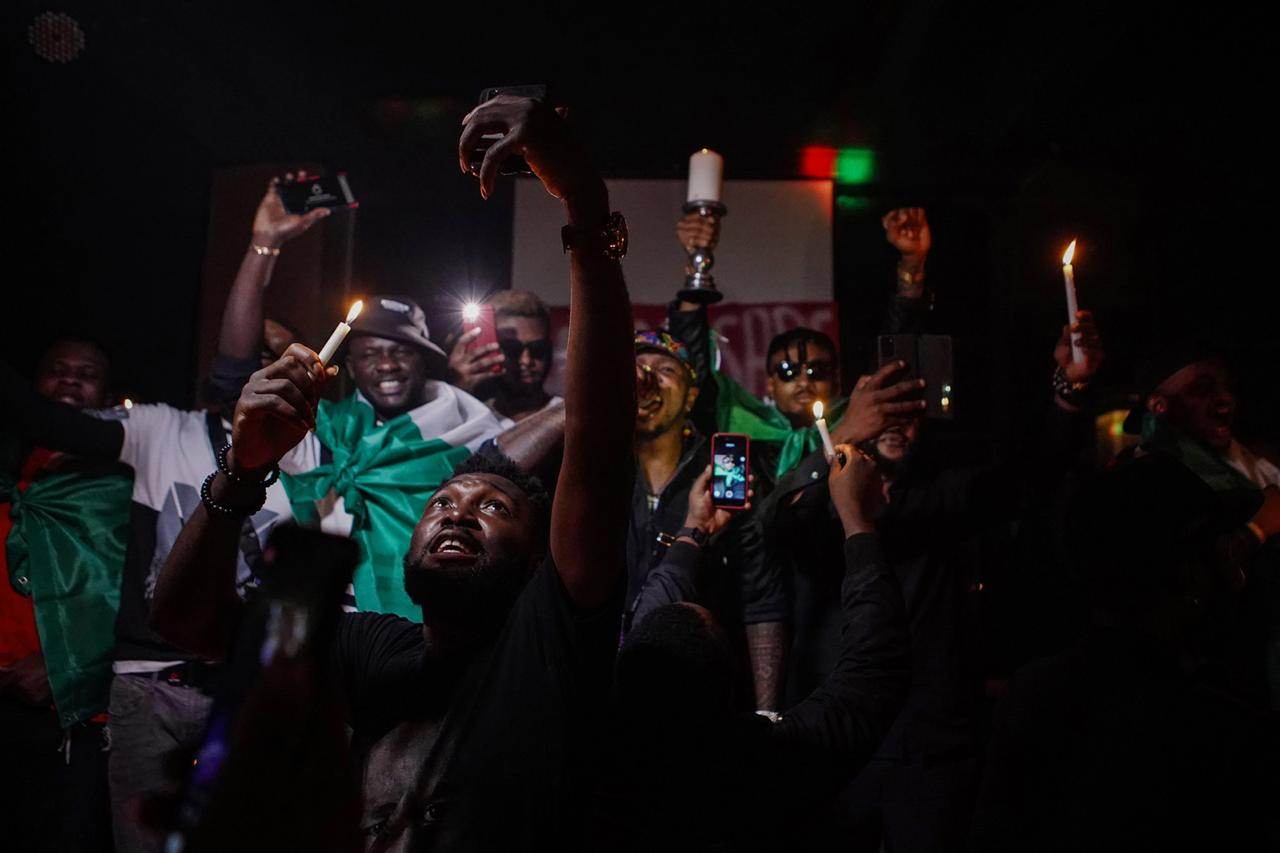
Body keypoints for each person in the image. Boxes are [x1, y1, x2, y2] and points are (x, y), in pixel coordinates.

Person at [152, 92, 636, 849]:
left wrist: (583, 201)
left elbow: (601, 435)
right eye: (443, 499)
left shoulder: (548, 644)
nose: (457, 509)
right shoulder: (373, 650)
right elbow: (187, 622)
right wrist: (242, 473)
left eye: (493, 509)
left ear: (542, 555)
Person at [0, 175, 330, 853]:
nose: (263, 365)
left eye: (282, 356)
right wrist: (261, 249)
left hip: (250, 685)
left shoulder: (319, 454)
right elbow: (38, 415)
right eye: (252, 353)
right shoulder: (162, 430)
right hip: (144, 685)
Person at [757, 234, 1106, 851]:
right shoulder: (823, 501)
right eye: (882, 409)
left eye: (909, 407)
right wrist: (838, 438)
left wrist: (1068, 389)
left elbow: (1029, 475)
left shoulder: (943, 497)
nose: (897, 421)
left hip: (932, 747)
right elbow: (775, 524)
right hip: (834, 741)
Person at [596, 443, 911, 850]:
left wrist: (694, 530)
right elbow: (873, 671)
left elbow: (652, 615)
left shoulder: (604, 761)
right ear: (730, 690)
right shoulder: (765, 765)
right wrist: (857, 520)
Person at [970, 453, 1279, 851]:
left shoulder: (1036, 692)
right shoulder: (1213, 726)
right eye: (1219, 555)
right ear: (1187, 579)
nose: (1236, 577)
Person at [667, 207, 933, 494]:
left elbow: (894, 363)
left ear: (837, 378)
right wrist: (697, 263)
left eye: (816, 371)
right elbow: (692, 370)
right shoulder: (740, 428)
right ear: (769, 383)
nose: (803, 381)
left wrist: (912, 265)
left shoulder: (861, 427)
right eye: (788, 372)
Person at [0, 337, 130, 853]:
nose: (71, 380)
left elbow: (140, 595)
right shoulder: (8, 469)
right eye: (57, 370)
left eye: (87, 373)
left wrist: (63, 667)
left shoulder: (123, 482)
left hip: (72, 710)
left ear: (104, 394)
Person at [629, 329, 787, 711]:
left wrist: (765, 714)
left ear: (691, 395)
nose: (646, 377)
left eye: (665, 369)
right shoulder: (591, 469)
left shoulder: (721, 473)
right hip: (607, 691)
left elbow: (762, 598)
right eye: (637, 368)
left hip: (701, 698)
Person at [1120, 348, 1280, 708]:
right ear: (1159, 406)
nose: (1225, 399)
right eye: (1203, 389)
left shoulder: (1256, 461)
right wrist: (1255, 531)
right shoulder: (1148, 480)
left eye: (1226, 388)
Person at [447, 289, 562, 427]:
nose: (526, 360)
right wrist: (456, 390)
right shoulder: (471, 416)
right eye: (512, 349)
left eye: (537, 348)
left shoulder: (571, 417)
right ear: (489, 348)